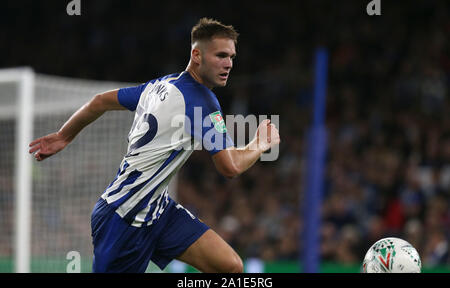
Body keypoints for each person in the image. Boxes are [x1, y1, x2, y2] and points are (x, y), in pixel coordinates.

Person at [28, 18, 280, 273]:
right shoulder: (202, 101)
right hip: (123, 218)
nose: (228, 64)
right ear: (197, 55)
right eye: (221, 55)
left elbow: (99, 101)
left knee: (231, 268)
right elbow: (230, 167)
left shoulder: (161, 85)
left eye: (232, 57)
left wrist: (64, 136)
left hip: (158, 210)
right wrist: (260, 143)